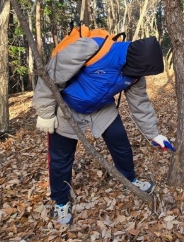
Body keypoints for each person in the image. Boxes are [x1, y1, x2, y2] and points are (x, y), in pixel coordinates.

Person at [33, 32, 171, 225]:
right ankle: (61, 201)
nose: (140, 77)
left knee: (120, 143)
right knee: (61, 158)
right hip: (67, 107)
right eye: (140, 73)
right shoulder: (90, 48)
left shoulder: (137, 74)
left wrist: (154, 134)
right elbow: (51, 76)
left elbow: (140, 105)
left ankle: (129, 179)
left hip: (102, 108)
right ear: (132, 62)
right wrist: (45, 112)